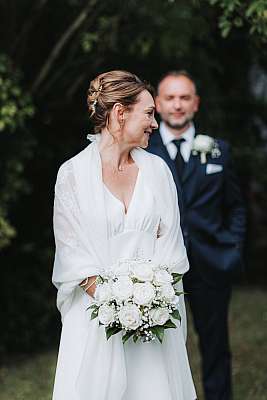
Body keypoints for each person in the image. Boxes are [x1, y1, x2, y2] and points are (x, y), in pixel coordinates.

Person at [52, 70, 196, 400]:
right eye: (148, 113)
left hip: (152, 323)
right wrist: (117, 304)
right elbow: (73, 257)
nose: (154, 124)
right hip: (94, 321)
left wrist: (149, 304)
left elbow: (171, 245)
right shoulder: (72, 175)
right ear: (120, 112)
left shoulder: (157, 171)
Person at [147, 70, 246, 400]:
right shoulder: (143, 151)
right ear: (158, 105)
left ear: (196, 104)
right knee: (158, 349)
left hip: (210, 263)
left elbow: (236, 206)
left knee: (215, 346)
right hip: (158, 269)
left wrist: (231, 249)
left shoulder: (219, 150)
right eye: (170, 98)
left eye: (185, 97)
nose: (178, 105)